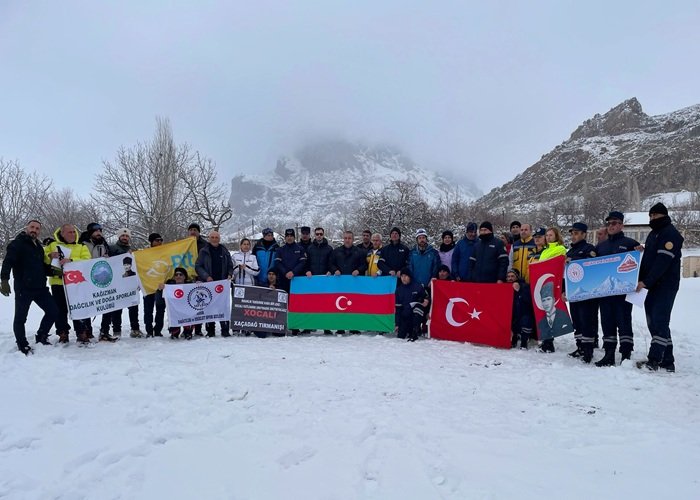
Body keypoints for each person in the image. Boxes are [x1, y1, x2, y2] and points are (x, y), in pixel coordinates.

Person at [636, 203, 684, 372]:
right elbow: (649, 260)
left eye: (655, 216)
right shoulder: (653, 234)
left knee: (659, 321)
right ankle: (667, 360)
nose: (652, 218)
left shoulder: (670, 234)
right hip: (652, 285)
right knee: (653, 322)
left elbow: (661, 263)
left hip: (665, 285)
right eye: (650, 216)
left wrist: (645, 282)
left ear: (664, 215)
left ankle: (654, 360)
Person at [1, 220, 58, 354]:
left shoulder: (38, 246)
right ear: (27, 228)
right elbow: (8, 262)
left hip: (40, 287)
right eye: (32, 227)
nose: (34, 230)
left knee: (53, 311)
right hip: (23, 288)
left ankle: (41, 336)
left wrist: (55, 271)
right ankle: (22, 344)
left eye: (37, 228)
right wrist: (4, 279)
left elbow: (41, 267)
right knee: (21, 318)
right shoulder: (17, 244)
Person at [594, 211, 640, 367]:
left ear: (621, 225)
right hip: (605, 292)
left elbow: (640, 265)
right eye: (609, 223)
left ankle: (626, 355)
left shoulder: (630, 243)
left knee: (624, 322)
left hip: (623, 293)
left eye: (614, 223)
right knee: (607, 323)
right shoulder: (601, 246)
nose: (611, 226)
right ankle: (609, 354)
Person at [43, 224, 92, 344]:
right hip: (58, 282)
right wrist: (49, 256)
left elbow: (87, 260)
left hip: (76, 283)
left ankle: (81, 331)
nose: (73, 234)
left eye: (74, 232)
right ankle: (62, 332)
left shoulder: (81, 246)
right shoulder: (53, 245)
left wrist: (71, 261)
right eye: (69, 232)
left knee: (79, 307)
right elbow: (43, 258)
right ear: (62, 233)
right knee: (60, 309)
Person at [79, 222, 117, 342]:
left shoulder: (103, 244)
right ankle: (87, 331)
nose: (99, 233)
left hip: (101, 278)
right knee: (87, 305)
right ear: (91, 232)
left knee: (107, 303)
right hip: (86, 279)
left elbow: (112, 257)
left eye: (100, 231)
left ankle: (104, 331)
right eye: (96, 231)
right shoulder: (82, 244)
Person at [565, 222, 598, 362]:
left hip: (587, 293)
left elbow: (591, 263)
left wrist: (573, 260)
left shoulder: (589, 248)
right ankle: (580, 346)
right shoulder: (570, 251)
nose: (574, 236)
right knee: (577, 321)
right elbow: (564, 273)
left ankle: (588, 350)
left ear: (584, 234)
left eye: (577, 233)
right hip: (574, 292)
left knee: (586, 321)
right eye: (572, 233)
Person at [195, 230, 234, 337]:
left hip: (222, 284)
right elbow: (198, 266)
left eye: (216, 237)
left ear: (219, 238)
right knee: (209, 307)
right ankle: (210, 330)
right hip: (209, 284)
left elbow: (230, 265)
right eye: (212, 237)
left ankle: (225, 329)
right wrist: (206, 276)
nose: (214, 239)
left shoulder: (224, 250)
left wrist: (230, 274)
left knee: (223, 307)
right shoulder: (204, 251)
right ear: (209, 238)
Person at [107, 228, 143, 338]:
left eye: (127, 236)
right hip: (117, 283)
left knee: (133, 306)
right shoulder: (112, 248)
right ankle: (116, 330)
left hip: (130, 282)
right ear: (119, 237)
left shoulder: (132, 250)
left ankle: (135, 329)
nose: (125, 238)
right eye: (123, 236)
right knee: (117, 308)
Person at [394, 267, 428, 341]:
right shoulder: (398, 290)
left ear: (409, 277)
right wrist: (397, 324)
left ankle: (415, 330)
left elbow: (426, 296)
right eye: (402, 276)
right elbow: (398, 309)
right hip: (405, 316)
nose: (404, 278)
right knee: (400, 336)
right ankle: (408, 330)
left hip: (415, 316)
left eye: (406, 276)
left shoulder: (418, 287)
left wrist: (427, 300)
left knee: (418, 307)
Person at [143, 233, 167, 338]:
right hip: (148, 285)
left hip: (160, 286)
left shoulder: (165, 252)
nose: (159, 242)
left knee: (160, 309)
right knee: (148, 310)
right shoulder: (144, 254)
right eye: (157, 240)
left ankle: (158, 330)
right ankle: (149, 330)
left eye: (161, 240)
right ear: (151, 242)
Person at [162, 267, 194, 340]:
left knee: (188, 331)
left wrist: (199, 284)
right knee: (174, 334)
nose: (178, 276)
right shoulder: (169, 286)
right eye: (176, 275)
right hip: (175, 313)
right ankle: (174, 331)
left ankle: (188, 331)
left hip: (187, 312)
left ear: (185, 277)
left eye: (180, 274)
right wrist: (162, 288)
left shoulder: (190, 285)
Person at [273, 228, 308, 294]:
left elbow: (302, 263)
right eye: (287, 236)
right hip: (283, 280)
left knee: (296, 301)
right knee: (284, 301)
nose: (289, 238)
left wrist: (293, 272)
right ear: (285, 238)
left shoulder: (300, 249)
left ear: (294, 237)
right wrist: (285, 272)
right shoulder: (280, 250)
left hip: (297, 279)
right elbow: (277, 263)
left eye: (291, 236)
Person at [506, 269, 534, 349]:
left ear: (516, 277)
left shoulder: (524, 286)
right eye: (508, 277)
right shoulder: (504, 287)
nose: (510, 278)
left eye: (512, 276)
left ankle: (524, 342)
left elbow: (529, 300)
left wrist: (519, 290)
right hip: (512, 314)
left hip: (524, 313)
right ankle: (513, 338)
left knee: (526, 319)